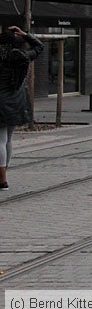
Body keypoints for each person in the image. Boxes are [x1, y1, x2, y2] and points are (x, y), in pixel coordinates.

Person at [0, 26, 43, 190]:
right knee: (8, 140)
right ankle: (4, 174)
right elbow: (39, 47)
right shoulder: (23, 56)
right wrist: (25, 35)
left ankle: (2, 179)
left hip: (1, 103)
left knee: (0, 140)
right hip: (17, 102)